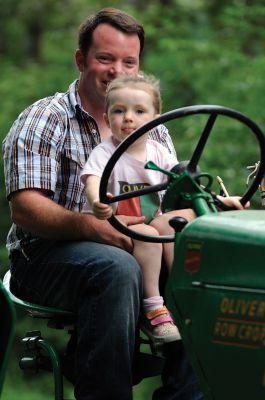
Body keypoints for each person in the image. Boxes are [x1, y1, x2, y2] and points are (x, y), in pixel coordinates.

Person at [2, 7, 205, 400]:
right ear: (81, 60)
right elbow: (25, 208)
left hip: (138, 240)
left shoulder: (152, 128)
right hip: (45, 255)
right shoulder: (47, 119)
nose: (118, 70)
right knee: (116, 266)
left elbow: (169, 198)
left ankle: (189, 393)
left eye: (129, 61)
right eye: (105, 59)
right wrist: (95, 227)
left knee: (198, 259)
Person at [81, 73, 249, 346]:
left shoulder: (158, 152)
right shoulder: (105, 152)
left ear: (156, 116)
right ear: (107, 116)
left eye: (139, 111)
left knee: (180, 222)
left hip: (151, 221)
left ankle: (188, 293)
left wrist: (219, 201)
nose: (128, 118)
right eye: (119, 111)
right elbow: (93, 180)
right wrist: (98, 201)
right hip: (117, 224)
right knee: (148, 235)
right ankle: (154, 307)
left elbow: (186, 184)